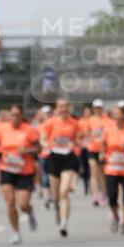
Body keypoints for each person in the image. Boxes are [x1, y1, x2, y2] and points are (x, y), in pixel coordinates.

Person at [0, 104, 40, 244]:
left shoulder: (29, 130)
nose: (14, 118)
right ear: (8, 115)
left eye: (17, 115)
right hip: (6, 169)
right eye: (12, 115)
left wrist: (27, 151)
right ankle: (16, 232)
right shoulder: (1, 129)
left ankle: (30, 212)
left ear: (21, 116)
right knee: (10, 203)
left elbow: (39, 148)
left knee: (23, 204)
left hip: (24, 171)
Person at [40, 97, 81, 238]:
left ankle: (64, 223)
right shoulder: (50, 122)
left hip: (68, 158)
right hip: (53, 157)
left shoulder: (75, 123)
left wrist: (75, 145)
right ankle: (57, 208)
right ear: (56, 108)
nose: (63, 109)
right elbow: (43, 138)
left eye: (66, 106)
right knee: (56, 195)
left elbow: (80, 139)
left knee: (64, 192)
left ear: (69, 107)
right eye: (60, 107)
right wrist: (46, 144)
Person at [100, 105, 124, 234]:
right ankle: (116, 217)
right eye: (113, 113)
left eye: (117, 113)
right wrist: (102, 153)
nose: (114, 115)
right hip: (111, 168)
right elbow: (103, 144)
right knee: (112, 197)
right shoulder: (108, 130)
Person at [81, 99, 109, 206]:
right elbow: (86, 134)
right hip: (92, 148)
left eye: (100, 107)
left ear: (102, 108)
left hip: (103, 150)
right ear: (93, 108)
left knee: (102, 174)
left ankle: (104, 195)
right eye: (96, 107)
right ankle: (95, 196)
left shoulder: (108, 120)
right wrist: (85, 142)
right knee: (93, 172)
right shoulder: (90, 120)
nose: (98, 109)